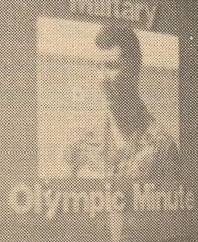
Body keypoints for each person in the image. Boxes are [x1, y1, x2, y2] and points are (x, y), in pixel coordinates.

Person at [63, 23, 179, 180]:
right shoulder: (80, 144)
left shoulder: (162, 150)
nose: (102, 78)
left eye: (111, 66)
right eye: (98, 67)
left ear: (134, 71)